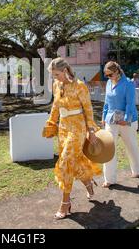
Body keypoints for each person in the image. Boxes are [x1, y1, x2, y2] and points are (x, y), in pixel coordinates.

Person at [42, 58, 101, 219]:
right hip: (63, 128)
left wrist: (91, 130)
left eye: (57, 74)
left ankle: (65, 203)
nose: (55, 78)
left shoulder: (80, 86)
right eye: (53, 75)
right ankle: (88, 183)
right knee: (75, 162)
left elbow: (88, 109)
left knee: (66, 161)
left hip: (78, 128)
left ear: (65, 71)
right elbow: (55, 105)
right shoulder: (57, 85)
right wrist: (51, 124)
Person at [101, 62, 139, 188]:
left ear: (117, 72)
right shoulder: (109, 83)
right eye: (106, 75)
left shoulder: (128, 83)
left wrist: (127, 119)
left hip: (127, 119)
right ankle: (109, 179)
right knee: (108, 147)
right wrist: (103, 117)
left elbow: (130, 103)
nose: (108, 77)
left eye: (110, 74)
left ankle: (137, 170)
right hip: (111, 119)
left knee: (131, 145)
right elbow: (107, 102)